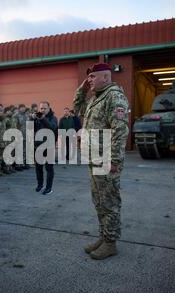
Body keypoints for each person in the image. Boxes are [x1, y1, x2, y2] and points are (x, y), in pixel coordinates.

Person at [73, 62, 129, 260]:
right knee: (99, 201)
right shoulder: (96, 98)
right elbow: (76, 107)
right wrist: (83, 88)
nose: (90, 80)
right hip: (95, 157)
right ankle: (104, 237)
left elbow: (120, 131)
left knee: (109, 202)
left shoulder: (114, 97)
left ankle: (111, 243)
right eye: (88, 77)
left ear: (106, 77)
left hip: (106, 160)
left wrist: (114, 160)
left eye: (93, 77)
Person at [32, 101, 57, 195]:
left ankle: (49, 188)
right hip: (38, 146)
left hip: (49, 146)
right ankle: (40, 185)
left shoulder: (53, 118)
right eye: (41, 108)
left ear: (49, 108)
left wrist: (43, 119)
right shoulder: (37, 118)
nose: (42, 110)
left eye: (44, 108)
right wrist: (31, 119)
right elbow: (30, 129)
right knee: (38, 168)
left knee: (49, 168)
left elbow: (52, 128)